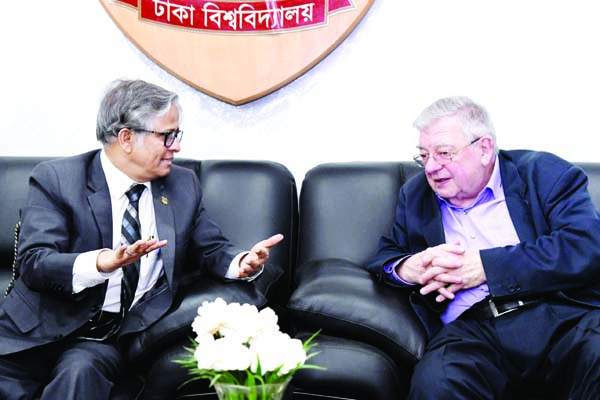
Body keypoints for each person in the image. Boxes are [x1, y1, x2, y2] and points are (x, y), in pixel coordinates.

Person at [0, 79, 283, 400]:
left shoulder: (182, 186)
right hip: (33, 329)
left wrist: (242, 263)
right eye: (167, 136)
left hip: (102, 339)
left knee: (79, 375)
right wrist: (99, 263)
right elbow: (35, 263)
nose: (176, 146)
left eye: (177, 135)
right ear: (126, 138)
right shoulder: (58, 179)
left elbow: (212, 248)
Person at [367, 96, 600, 399]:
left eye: (444, 153)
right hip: (473, 333)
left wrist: (487, 268)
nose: (431, 167)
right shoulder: (416, 195)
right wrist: (406, 268)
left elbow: (586, 244)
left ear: (484, 149)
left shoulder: (542, 173)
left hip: (561, 319)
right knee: (436, 384)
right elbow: (386, 255)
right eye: (423, 156)